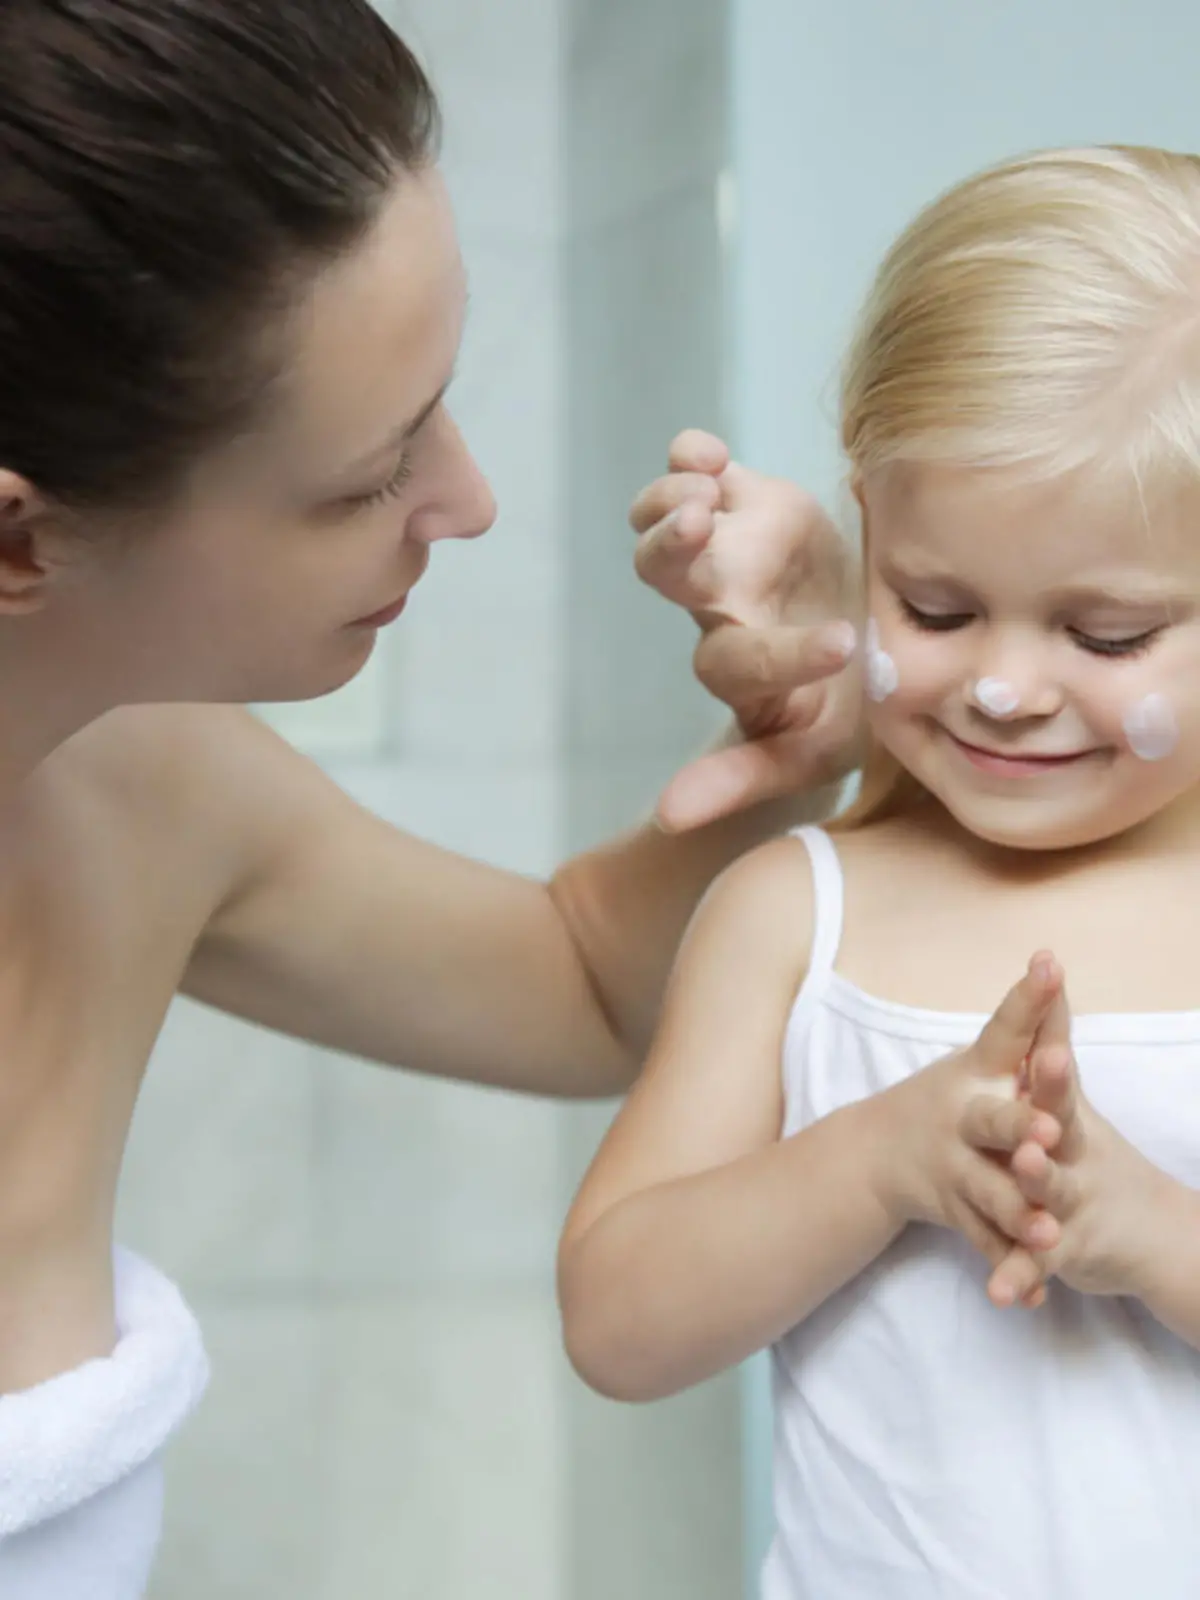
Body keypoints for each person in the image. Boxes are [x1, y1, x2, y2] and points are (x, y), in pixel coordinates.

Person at [0, 4, 857, 1595]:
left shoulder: (141, 793)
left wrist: (797, 732)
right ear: (18, 543)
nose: (469, 501)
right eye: (371, 473)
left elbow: (589, 988)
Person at [560, 143, 1200, 1599]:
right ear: (870, 521)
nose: (1004, 688)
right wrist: (880, 1157)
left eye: (1104, 636)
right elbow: (617, 1322)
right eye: (939, 603)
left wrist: (1156, 1235)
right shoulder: (801, 913)